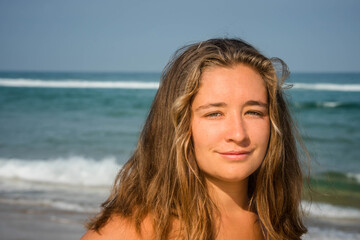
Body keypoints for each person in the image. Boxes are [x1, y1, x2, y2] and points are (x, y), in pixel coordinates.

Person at [81, 38, 307, 240]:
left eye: (254, 112)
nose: (238, 134)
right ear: (179, 125)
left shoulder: (276, 225)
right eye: (214, 114)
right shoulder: (135, 231)